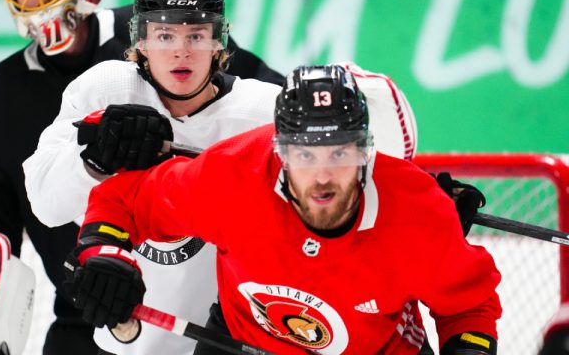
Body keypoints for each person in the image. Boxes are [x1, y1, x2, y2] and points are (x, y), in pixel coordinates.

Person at [23, 0, 419, 354]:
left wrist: (422, 200)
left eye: (196, 34)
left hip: (227, 339)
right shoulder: (105, 88)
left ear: (219, 42)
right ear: (140, 41)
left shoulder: (262, 113)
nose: (181, 49)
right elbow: (44, 204)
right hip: (126, 337)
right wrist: (93, 161)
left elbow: (351, 181)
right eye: (164, 34)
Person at [0, 0, 283, 354]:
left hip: (222, 309)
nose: (179, 50)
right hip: (93, 304)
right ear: (141, 42)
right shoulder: (9, 96)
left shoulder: (174, 31)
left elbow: (259, 119)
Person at [62, 64, 502, 354]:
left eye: (339, 153)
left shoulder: (417, 213)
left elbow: (468, 306)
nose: (323, 176)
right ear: (280, 152)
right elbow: (124, 199)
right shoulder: (231, 177)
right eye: (306, 154)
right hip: (242, 343)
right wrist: (105, 255)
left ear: (366, 152)